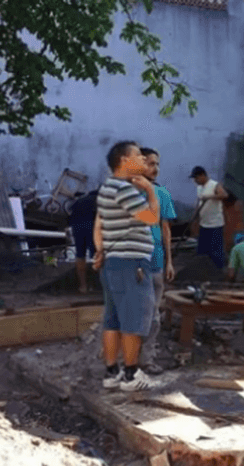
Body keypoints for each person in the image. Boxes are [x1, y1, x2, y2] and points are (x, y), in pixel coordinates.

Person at [93, 141, 159, 391]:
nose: (143, 160)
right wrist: (150, 191)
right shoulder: (124, 189)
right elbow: (152, 218)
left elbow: (101, 224)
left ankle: (112, 372)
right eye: (138, 156)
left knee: (113, 319)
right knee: (133, 317)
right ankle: (131, 375)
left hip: (114, 262)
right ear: (124, 160)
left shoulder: (107, 187)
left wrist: (101, 250)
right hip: (131, 263)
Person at [141, 147, 177, 374]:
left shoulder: (162, 193)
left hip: (156, 261)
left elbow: (165, 229)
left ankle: (145, 359)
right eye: (150, 163)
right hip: (133, 261)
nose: (155, 168)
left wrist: (169, 261)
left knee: (153, 316)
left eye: (157, 164)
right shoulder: (128, 193)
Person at [189, 166, 228, 268]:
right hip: (204, 224)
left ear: (202, 175)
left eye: (196, 178)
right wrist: (195, 215)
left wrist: (210, 197)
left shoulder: (214, 185)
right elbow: (199, 202)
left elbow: (224, 195)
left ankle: (218, 270)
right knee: (202, 250)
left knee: (216, 251)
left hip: (215, 224)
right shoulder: (199, 188)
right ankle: (204, 270)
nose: (195, 181)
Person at [68, 189, 99, 293]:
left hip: (77, 228)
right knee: (97, 256)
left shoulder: (80, 200)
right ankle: (98, 285)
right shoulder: (98, 200)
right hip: (91, 227)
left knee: (80, 255)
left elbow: (70, 213)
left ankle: (83, 286)